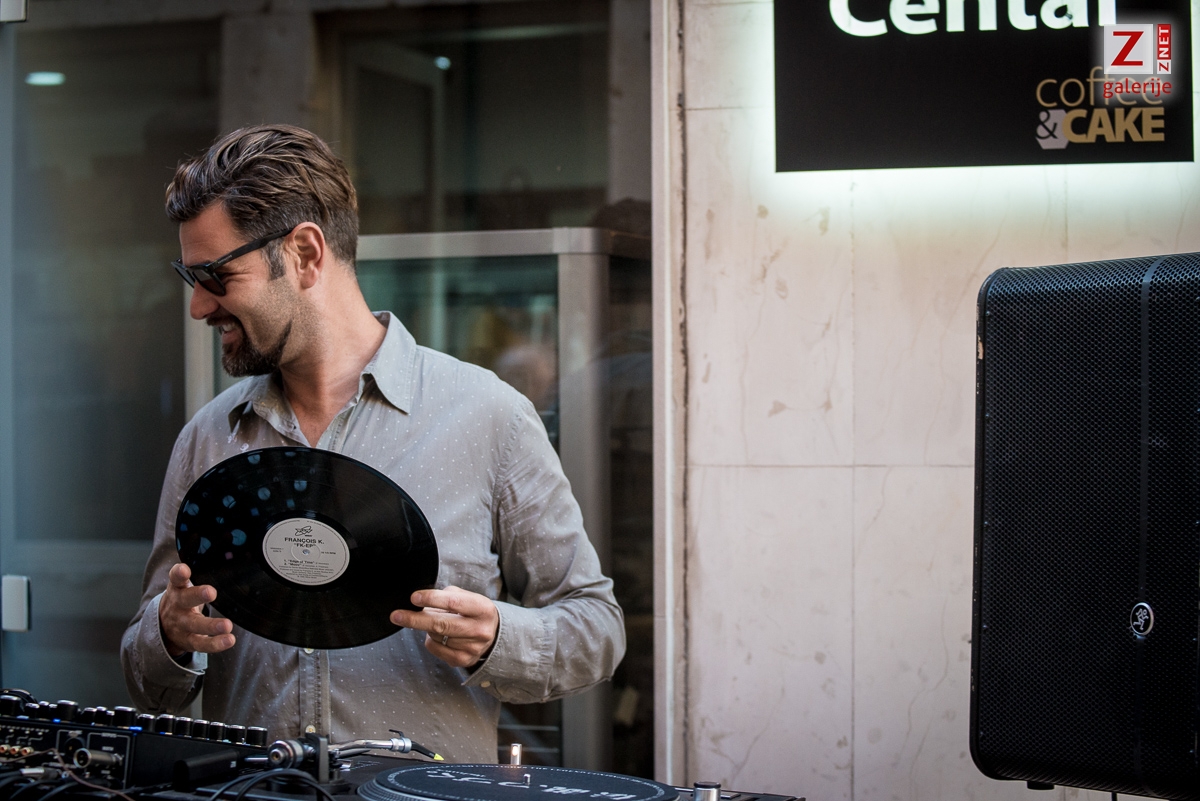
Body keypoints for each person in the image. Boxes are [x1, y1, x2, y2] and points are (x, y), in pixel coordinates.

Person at [120, 124, 625, 763]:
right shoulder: (207, 438)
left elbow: (596, 629)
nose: (197, 307)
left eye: (216, 276)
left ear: (306, 254)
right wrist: (167, 634)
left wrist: (501, 638)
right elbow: (148, 683)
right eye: (188, 277)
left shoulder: (490, 417)